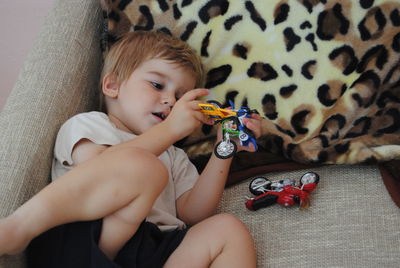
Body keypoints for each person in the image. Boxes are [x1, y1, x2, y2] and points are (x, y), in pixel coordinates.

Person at [0, 31, 261, 267]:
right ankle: (19, 228)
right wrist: (170, 130)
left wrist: (224, 147)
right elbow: (96, 170)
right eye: (157, 85)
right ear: (112, 85)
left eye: (181, 97)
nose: (171, 101)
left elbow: (193, 213)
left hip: (153, 250)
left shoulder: (174, 155)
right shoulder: (90, 124)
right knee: (145, 166)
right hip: (88, 243)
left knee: (227, 229)